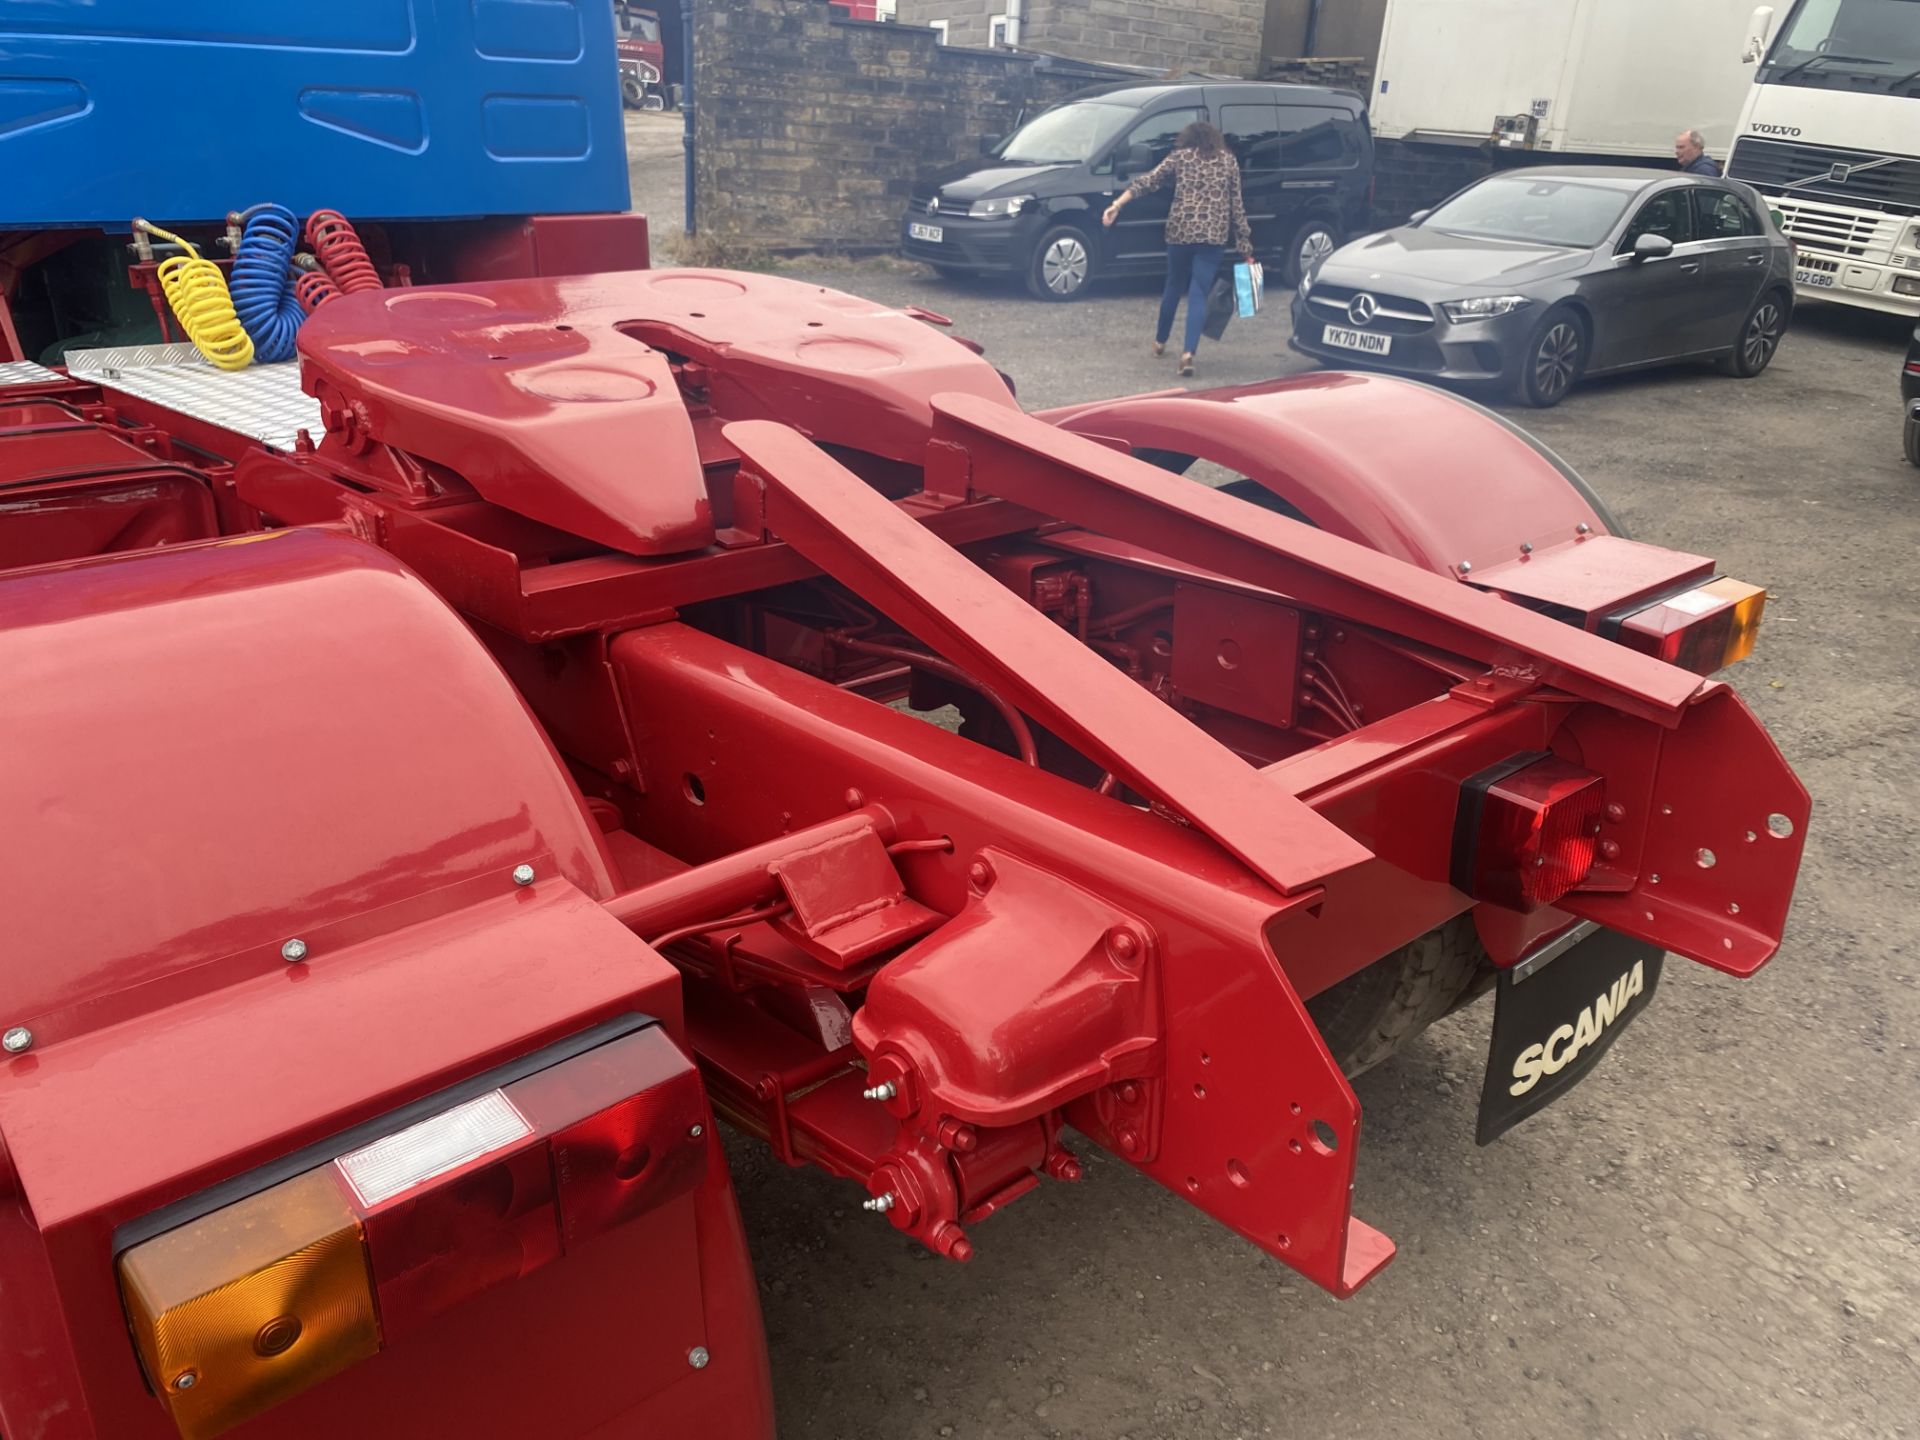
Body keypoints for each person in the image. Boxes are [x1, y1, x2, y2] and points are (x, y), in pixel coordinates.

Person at [1101, 122, 1253, 377]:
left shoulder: (1180, 157)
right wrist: (1245, 245)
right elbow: (1236, 205)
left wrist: (1117, 204)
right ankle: (1188, 353)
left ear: (1188, 138)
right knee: (1199, 292)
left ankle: (1160, 342)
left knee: (1173, 285)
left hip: (1180, 232)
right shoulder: (1229, 161)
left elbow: (1148, 181)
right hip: (1213, 236)